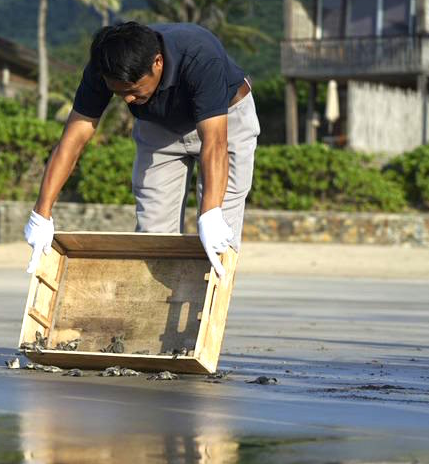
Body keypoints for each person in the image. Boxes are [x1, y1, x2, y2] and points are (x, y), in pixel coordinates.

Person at [24, 22, 260, 278]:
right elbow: (72, 140)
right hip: (158, 127)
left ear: (157, 62)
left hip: (225, 121)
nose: (127, 100)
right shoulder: (104, 66)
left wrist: (211, 213)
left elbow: (215, 143)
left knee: (218, 238)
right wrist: (41, 213)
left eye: (133, 91)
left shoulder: (200, 56)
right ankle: (157, 316)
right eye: (119, 93)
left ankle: (210, 315)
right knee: (152, 238)